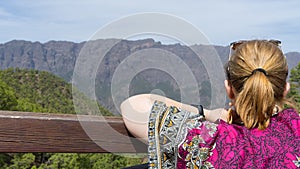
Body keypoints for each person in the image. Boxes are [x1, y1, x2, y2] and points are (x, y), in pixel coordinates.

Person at [120, 40, 300, 169]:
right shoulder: (296, 131)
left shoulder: (212, 142)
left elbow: (134, 107)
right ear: (285, 89)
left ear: (229, 88)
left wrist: (205, 113)